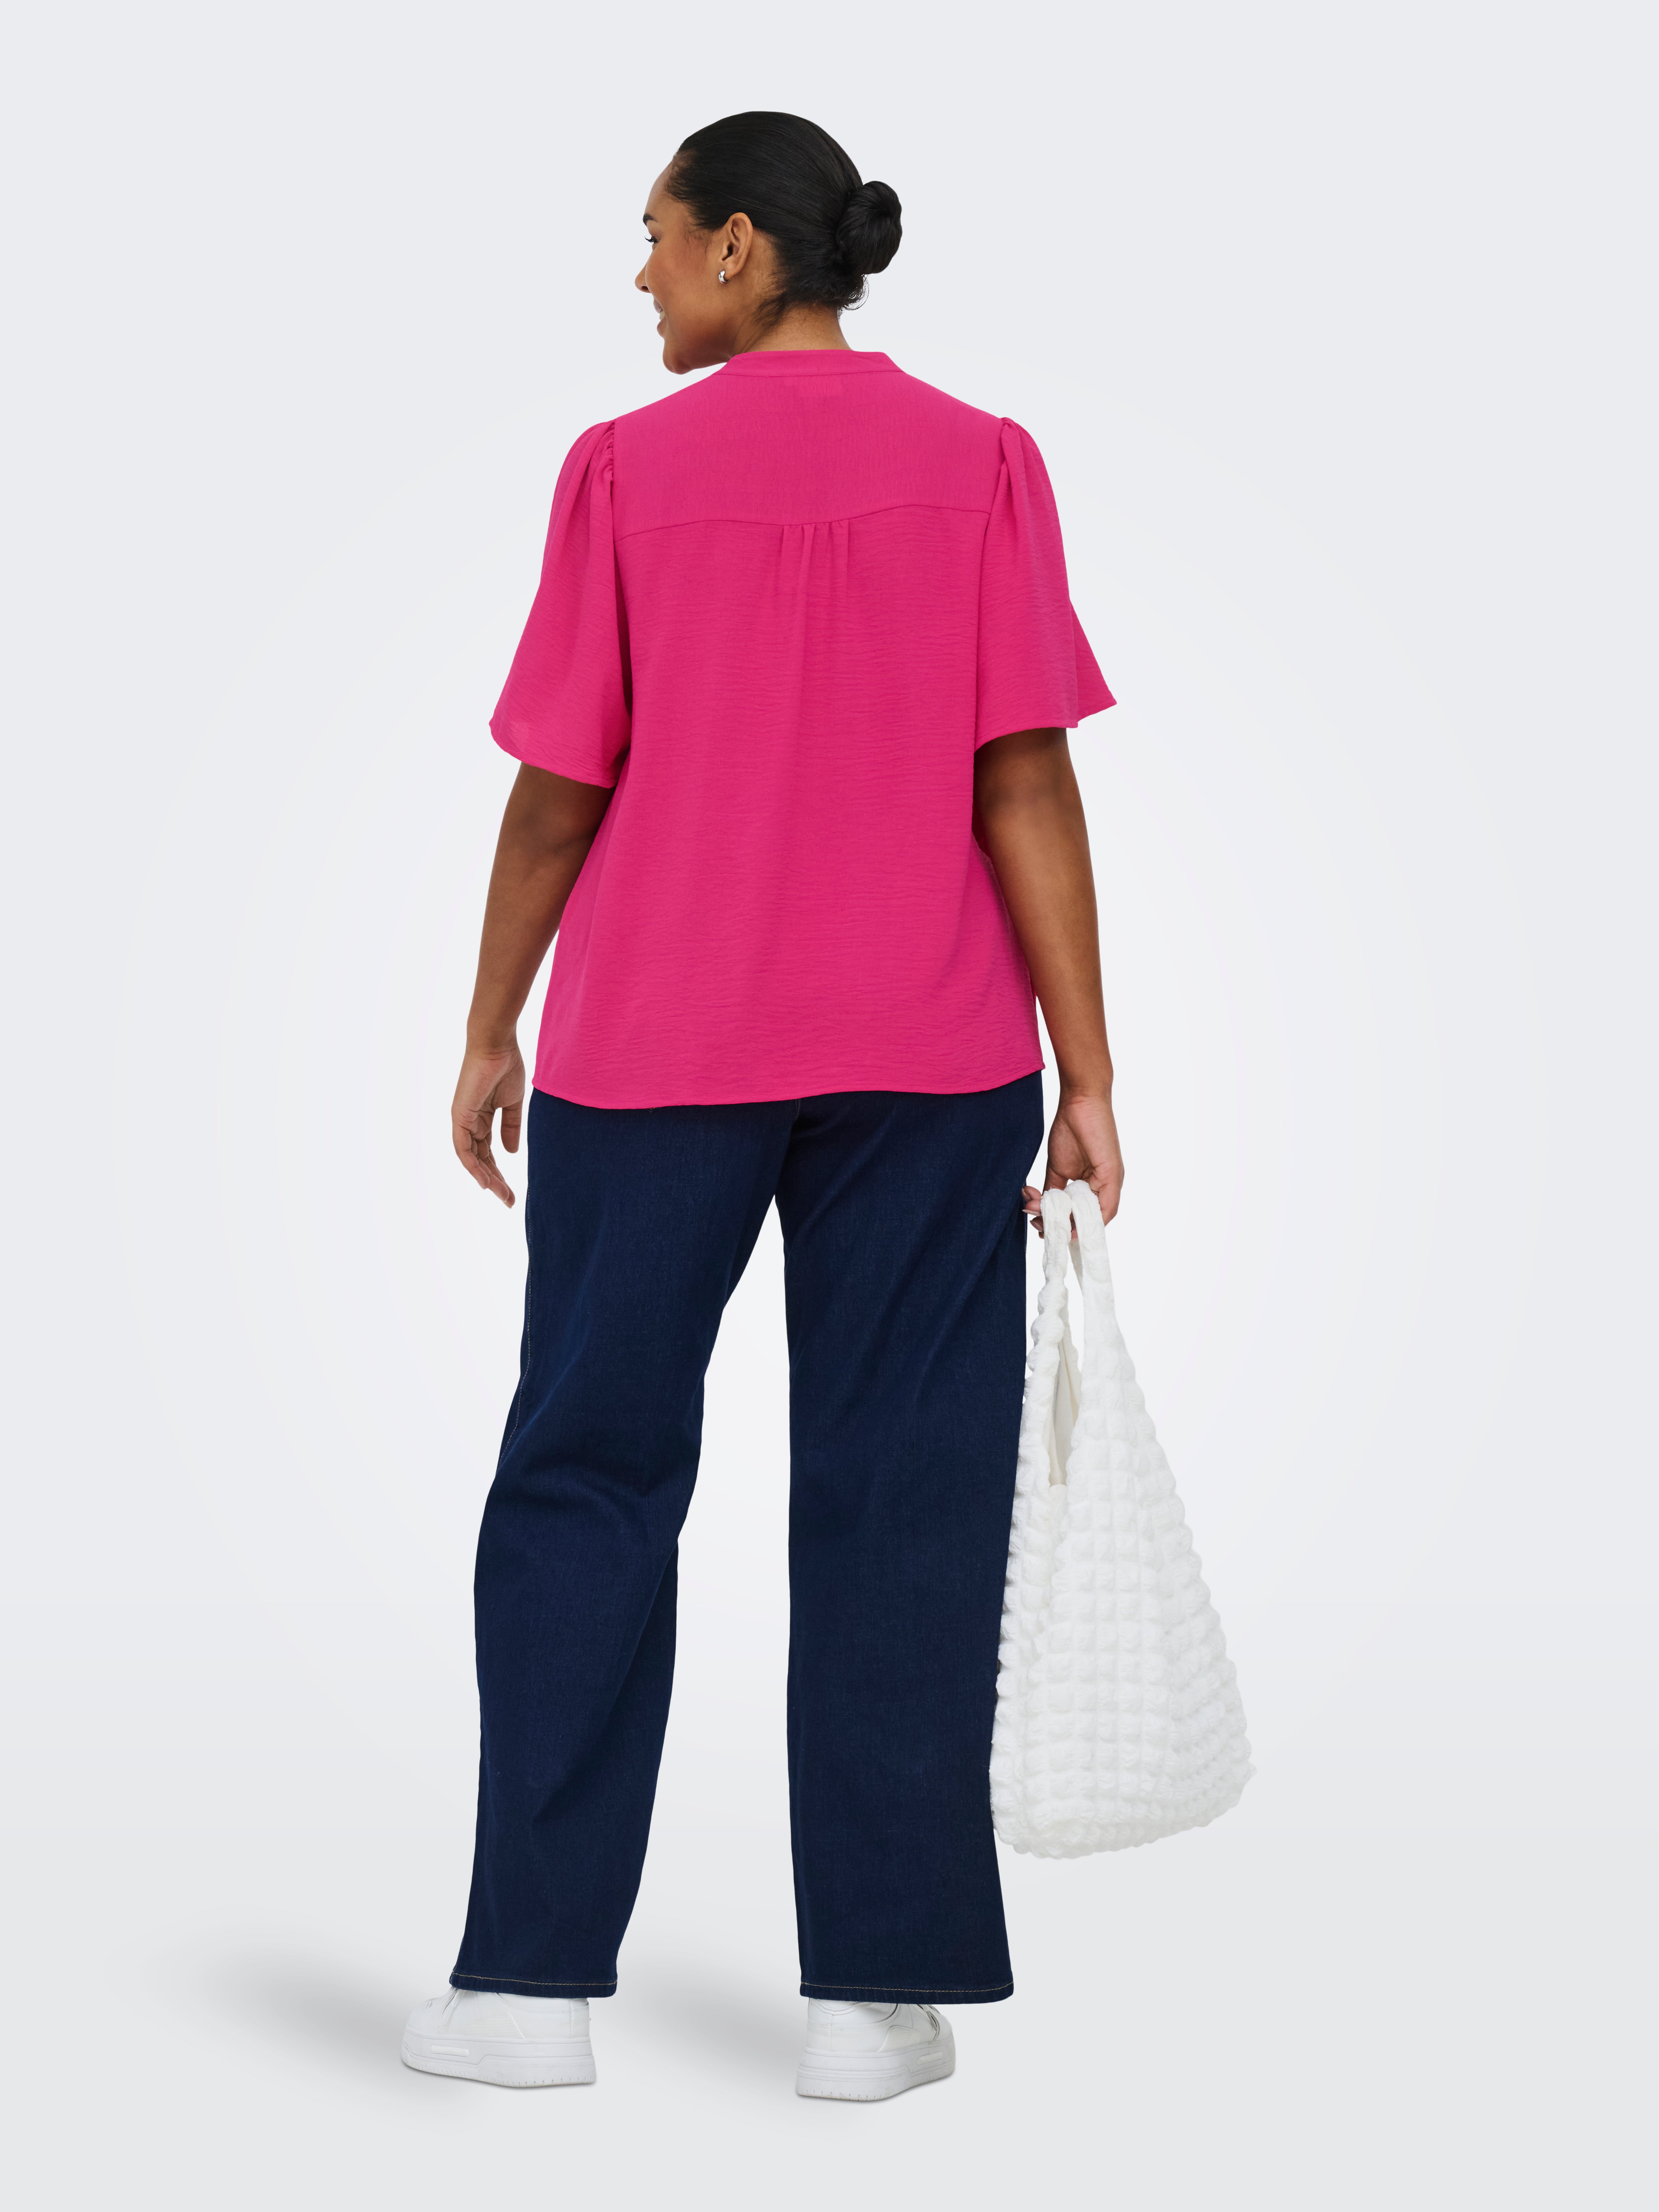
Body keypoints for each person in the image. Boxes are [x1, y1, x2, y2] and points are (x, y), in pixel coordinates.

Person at [402, 110, 1123, 2103]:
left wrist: (488, 1020)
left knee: (586, 1474)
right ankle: (872, 2002)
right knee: (905, 1487)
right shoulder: (983, 459)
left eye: (653, 237)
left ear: (739, 245)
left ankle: (527, 1988)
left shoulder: (626, 471)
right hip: (932, 1057)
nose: (639, 276)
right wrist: (1089, 1065)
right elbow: (1024, 778)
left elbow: (558, 792)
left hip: (654, 1052)